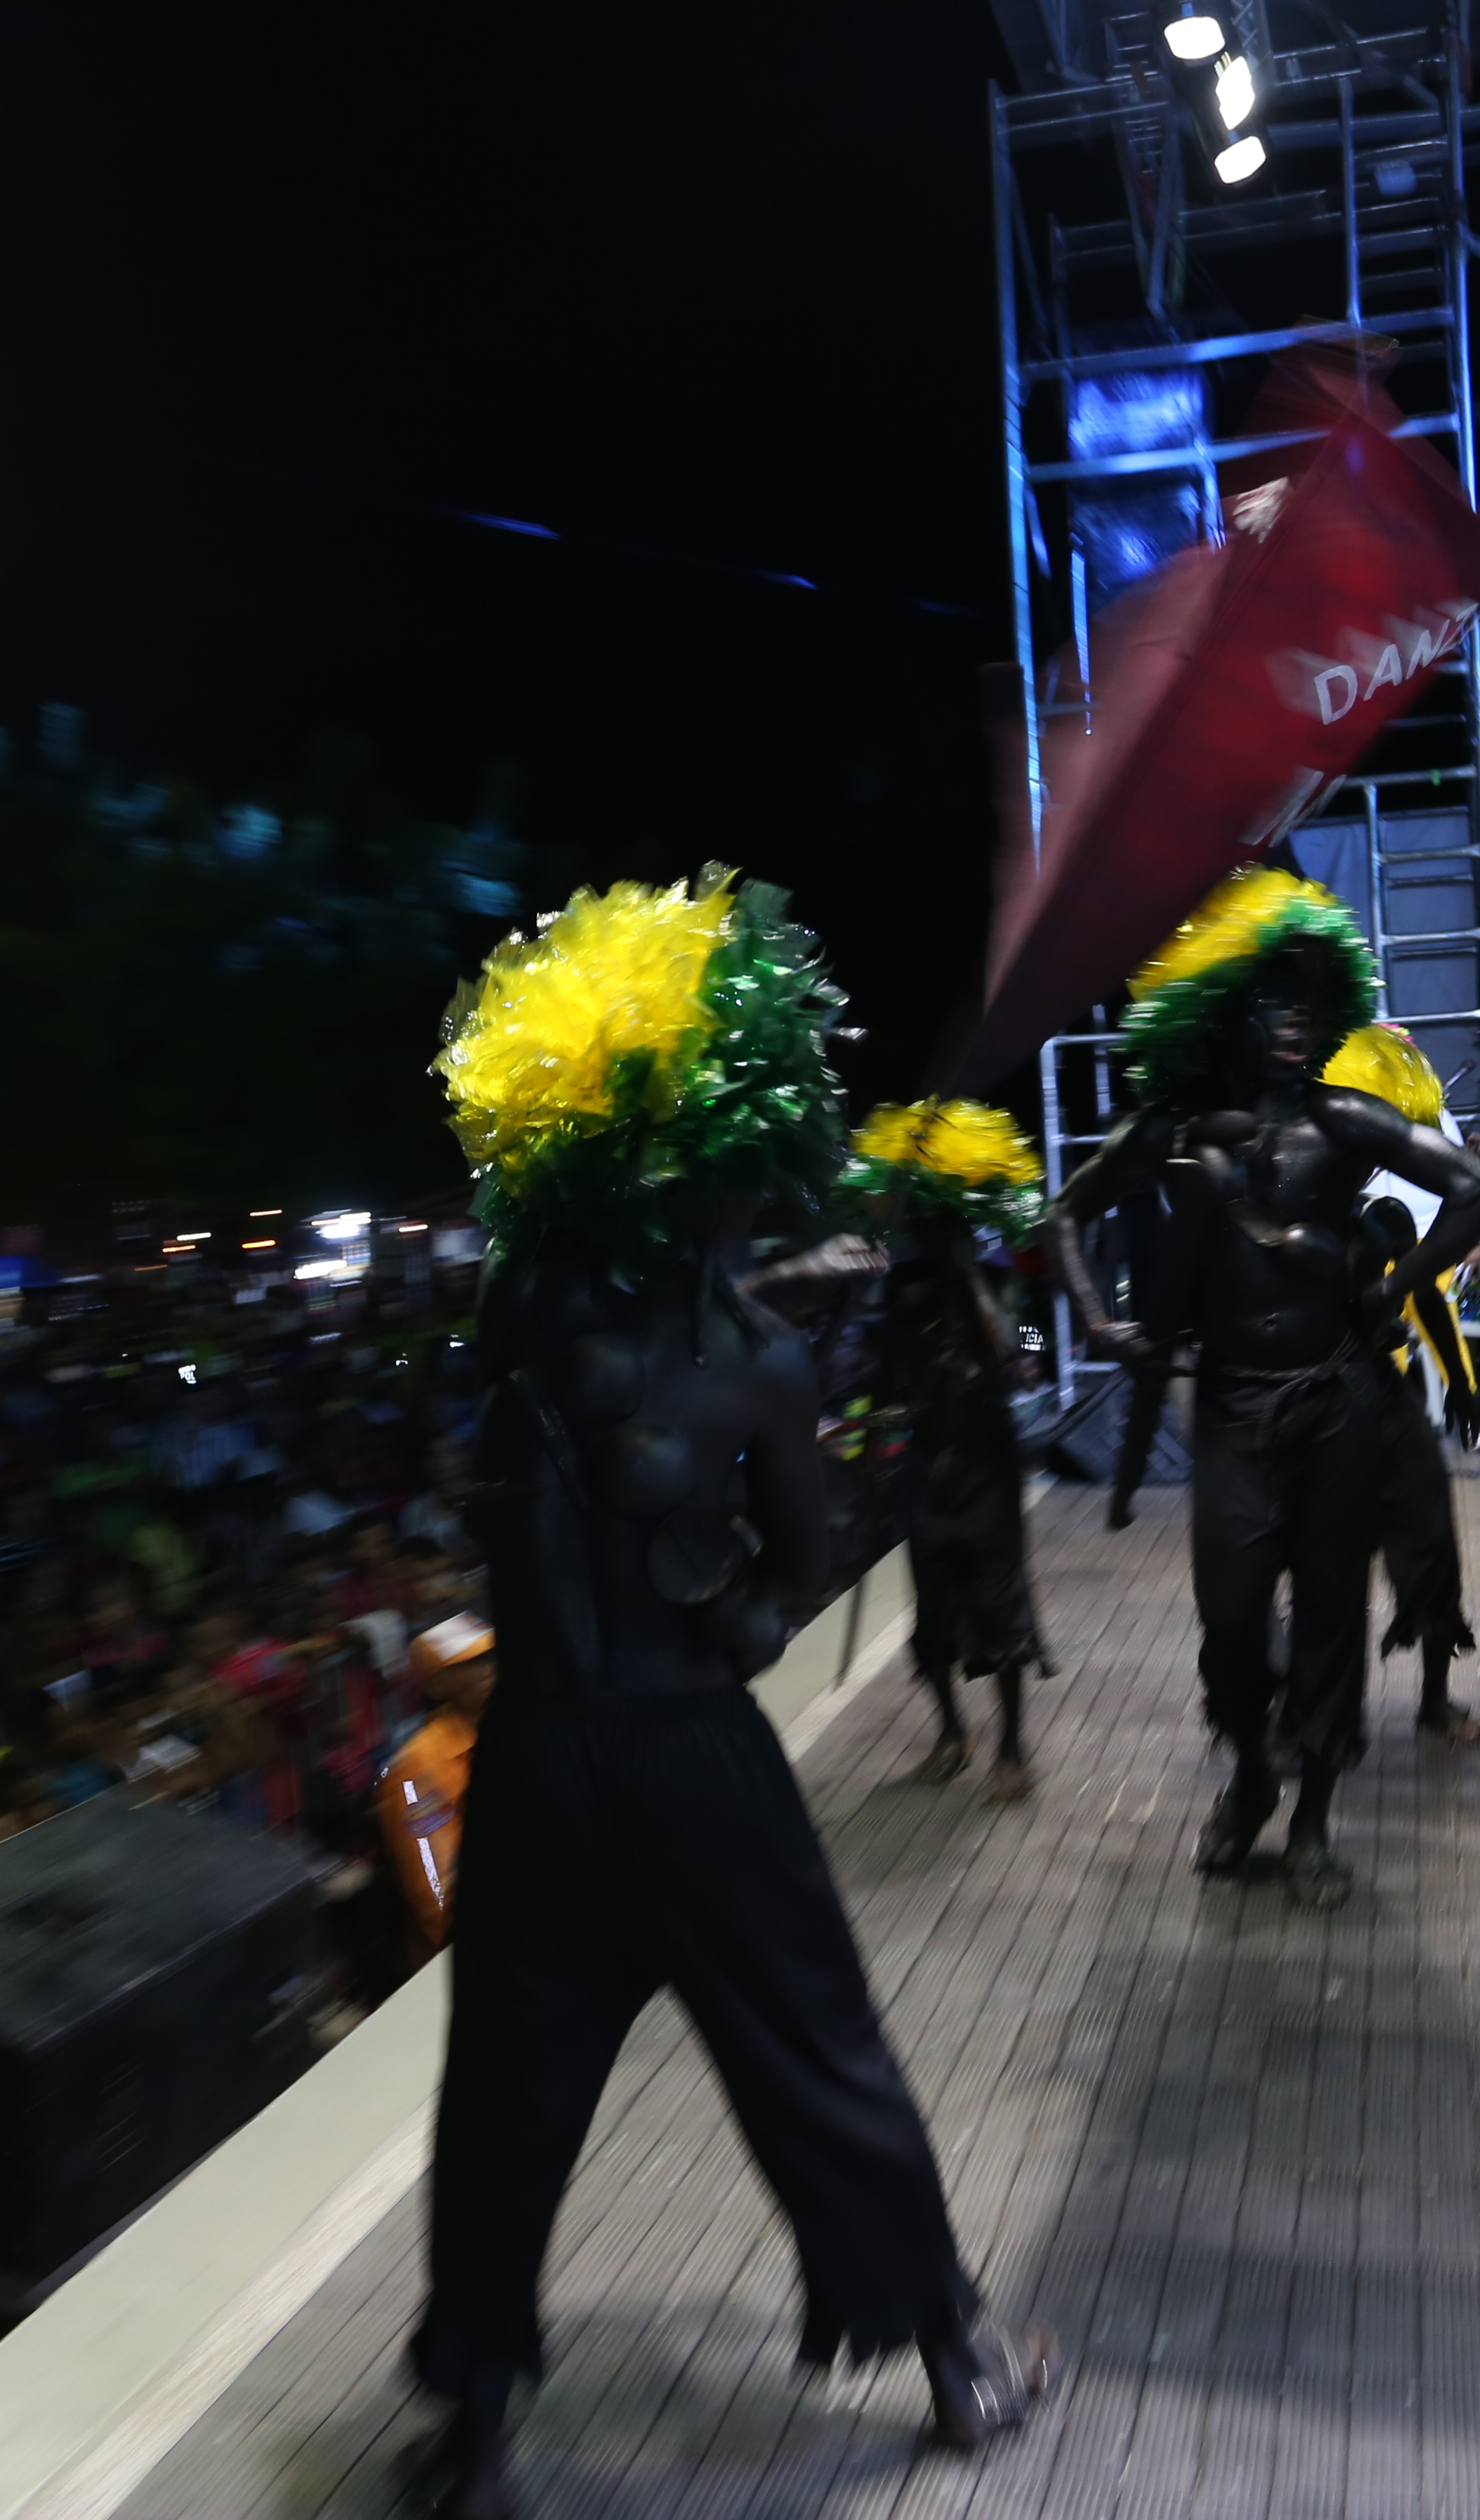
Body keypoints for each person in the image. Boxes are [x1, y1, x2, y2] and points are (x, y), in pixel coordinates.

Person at [414, 872, 1036, 2516]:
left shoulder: (526, 1319)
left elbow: (777, 1570)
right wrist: (723, 1597)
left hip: (553, 1761)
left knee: (508, 2096)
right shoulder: (737, 1347)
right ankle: (955, 2347)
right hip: (678, 1757)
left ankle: (468, 2426)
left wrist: (706, 1584)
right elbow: (799, 1577)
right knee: (811, 2052)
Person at [1044, 871, 1480, 1905]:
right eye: (1271, 1003)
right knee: (1233, 1620)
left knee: (1334, 1614)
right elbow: (1064, 1216)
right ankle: (1253, 1774)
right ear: (1223, 1015)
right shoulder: (1173, 1131)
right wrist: (1100, 1319)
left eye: (1306, 1003)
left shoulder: (1345, 1121)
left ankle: (1311, 1826)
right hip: (1233, 1410)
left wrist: (1396, 1280)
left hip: (1337, 1400)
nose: (1294, 1021)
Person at [845, 1099, 1054, 1800]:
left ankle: (1014, 1745)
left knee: (1003, 1607)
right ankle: (950, 1732)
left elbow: (1025, 1339)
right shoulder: (903, 1286)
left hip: (989, 1466)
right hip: (927, 1470)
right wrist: (873, 1448)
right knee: (932, 1616)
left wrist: (1028, 1356)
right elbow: (885, 1375)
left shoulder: (994, 1274)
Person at [1320, 1023, 1480, 1744]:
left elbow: (1421, 1294)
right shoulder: (1285, 1201)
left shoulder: (1383, 1216)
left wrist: (1461, 1381)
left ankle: (1434, 1699)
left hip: (1383, 1407)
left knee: (1428, 1547)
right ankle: (1310, 1710)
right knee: (1318, 1571)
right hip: (1314, 1415)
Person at [377, 1614, 493, 1957]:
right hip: (478, 1955)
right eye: (471, 1663)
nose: (490, 1668)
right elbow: (438, 1895)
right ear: (438, 1685)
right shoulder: (418, 1766)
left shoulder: (519, 1732)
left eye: (492, 1656)